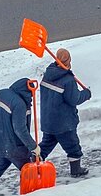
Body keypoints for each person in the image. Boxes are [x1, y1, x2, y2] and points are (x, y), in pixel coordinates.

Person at [39, 48, 91, 177]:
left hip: (48, 120)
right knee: (73, 146)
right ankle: (76, 170)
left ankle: (33, 163)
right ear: (68, 61)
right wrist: (86, 94)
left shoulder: (48, 74)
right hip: (64, 122)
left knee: (46, 145)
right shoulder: (68, 80)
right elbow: (74, 99)